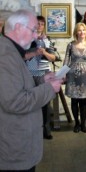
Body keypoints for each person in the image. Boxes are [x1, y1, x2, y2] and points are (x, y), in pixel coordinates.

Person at [0, 9, 63, 171]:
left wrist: (42, 80)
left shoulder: (11, 51)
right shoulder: (5, 56)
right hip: (14, 150)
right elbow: (15, 102)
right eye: (34, 30)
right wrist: (49, 88)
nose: (36, 35)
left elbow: (20, 83)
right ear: (19, 28)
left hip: (18, 144)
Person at [25, 16, 56, 140]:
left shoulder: (48, 39)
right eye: (37, 24)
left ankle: (46, 130)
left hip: (44, 74)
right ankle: (31, 130)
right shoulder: (27, 40)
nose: (39, 26)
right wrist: (35, 52)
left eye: (42, 24)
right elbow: (22, 57)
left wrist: (44, 52)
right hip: (30, 74)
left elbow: (53, 58)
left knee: (45, 103)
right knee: (30, 102)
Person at [63, 22, 86, 133]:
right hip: (73, 76)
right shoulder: (71, 45)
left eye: (83, 30)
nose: (82, 32)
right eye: (79, 30)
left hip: (85, 77)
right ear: (76, 32)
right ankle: (76, 123)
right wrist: (64, 74)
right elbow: (66, 62)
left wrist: (83, 67)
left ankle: (83, 124)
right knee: (74, 100)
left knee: (84, 102)